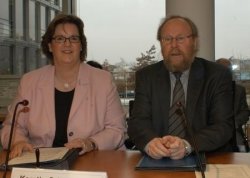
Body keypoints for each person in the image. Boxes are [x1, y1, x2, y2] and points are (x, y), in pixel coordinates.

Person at [0, 14, 126, 159]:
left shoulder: (103, 80)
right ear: (49, 46)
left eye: (74, 38)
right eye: (60, 38)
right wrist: (19, 141)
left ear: (81, 45)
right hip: (40, 164)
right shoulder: (29, 81)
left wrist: (91, 142)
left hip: (91, 161)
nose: (67, 44)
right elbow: (11, 127)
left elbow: (117, 129)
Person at [127, 15, 234, 160]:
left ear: (195, 42)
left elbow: (223, 126)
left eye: (180, 38)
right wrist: (150, 142)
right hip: (157, 161)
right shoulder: (146, 76)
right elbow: (138, 121)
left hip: (207, 158)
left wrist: (186, 145)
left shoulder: (217, 75)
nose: (174, 45)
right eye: (167, 39)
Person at [216, 58, 249, 149]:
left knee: (241, 156)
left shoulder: (239, 90)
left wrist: (234, 123)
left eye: (229, 69)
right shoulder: (208, 89)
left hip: (235, 135)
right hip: (214, 135)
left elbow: (245, 112)